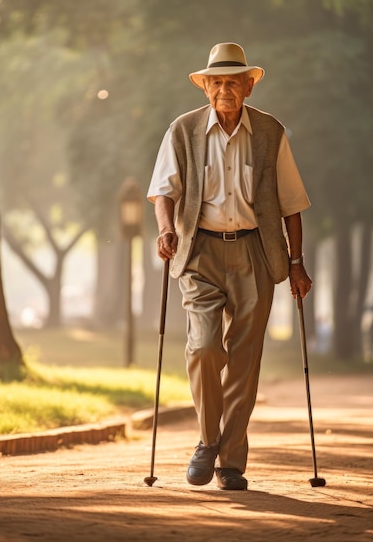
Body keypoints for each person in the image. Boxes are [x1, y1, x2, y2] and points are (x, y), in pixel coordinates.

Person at [147, 42, 312, 491]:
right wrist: (166, 230)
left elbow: (291, 204)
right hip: (199, 251)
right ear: (205, 88)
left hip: (256, 252)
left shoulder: (270, 133)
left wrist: (296, 263)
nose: (224, 89)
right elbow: (164, 191)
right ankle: (206, 441)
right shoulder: (182, 131)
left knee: (244, 361)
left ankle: (231, 462)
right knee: (203, 349)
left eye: (233, 82)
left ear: (249, 86)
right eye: (216, 82)